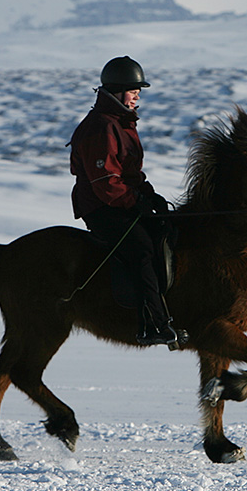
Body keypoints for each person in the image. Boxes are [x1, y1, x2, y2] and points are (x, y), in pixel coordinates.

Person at [67, 56, 185, 348]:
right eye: (134, 91)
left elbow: (129, 172)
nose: (137, 96)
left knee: (165, 231)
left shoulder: (121, 122)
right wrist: (135, 201)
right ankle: (152, 323)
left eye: (138, 91)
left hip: (120, 201)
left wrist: (149, 195)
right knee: (141, 247)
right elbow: (106, 183)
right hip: (101, 207)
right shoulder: (101, 127)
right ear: (118, 92)